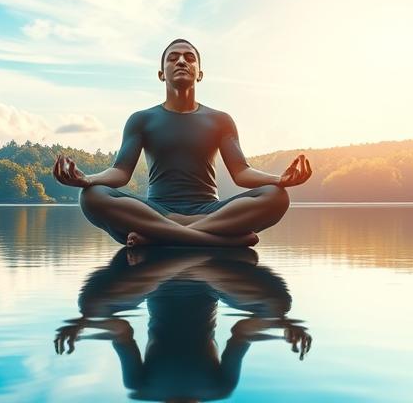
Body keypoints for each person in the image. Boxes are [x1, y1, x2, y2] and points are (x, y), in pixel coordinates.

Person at [52, 38, 312, 247]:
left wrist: (280, 180)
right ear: (160, 73)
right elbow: (120, 173)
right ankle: (218, 241)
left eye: (189, 58)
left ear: (199, 73)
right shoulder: (141, 119)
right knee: (91, 196)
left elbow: (241, 173)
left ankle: (160, 237)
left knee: (277, 197)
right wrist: (87, 179)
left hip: (209, 210)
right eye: (172, 57)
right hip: (155, 210)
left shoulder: (220, 120)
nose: (181, 61)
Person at [54, 247, 311, 401]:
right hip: (211, 282)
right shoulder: (219, 388)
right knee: (278, 304)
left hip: (154, 283)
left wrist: (87, 321)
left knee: (90, 304)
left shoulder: (141, 387)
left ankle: (181, 255)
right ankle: (197, 254)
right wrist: (278, 322)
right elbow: (242, 332)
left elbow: (122, 332)